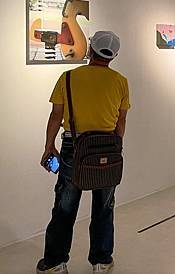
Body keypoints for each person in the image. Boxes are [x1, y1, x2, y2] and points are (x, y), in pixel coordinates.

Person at [36, 31, 130, 274]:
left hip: (74, 147)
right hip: (109, 148)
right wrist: (116, 147)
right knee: (104, 207)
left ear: (90, 49)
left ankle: (54, 263)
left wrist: (49, 146)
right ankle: (101, 261)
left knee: (65, 208)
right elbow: (121, 121)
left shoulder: (68, 77)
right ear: (113, 56)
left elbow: (56, 115)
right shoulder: (120, 81)